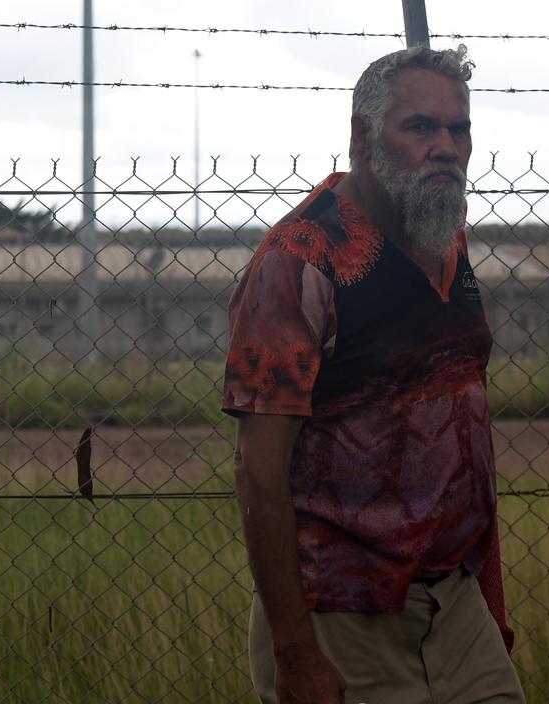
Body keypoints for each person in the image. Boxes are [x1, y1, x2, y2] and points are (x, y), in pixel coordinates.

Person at [223, 44, 525, 704]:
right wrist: (297, 654)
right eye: (420, 127)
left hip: (454, 603)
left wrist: (484, 594)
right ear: (362, 136)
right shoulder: (300, 261)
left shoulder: (444, 234)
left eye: (459, 129)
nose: (445, 146)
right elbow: (258, 469)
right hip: (341, 616)